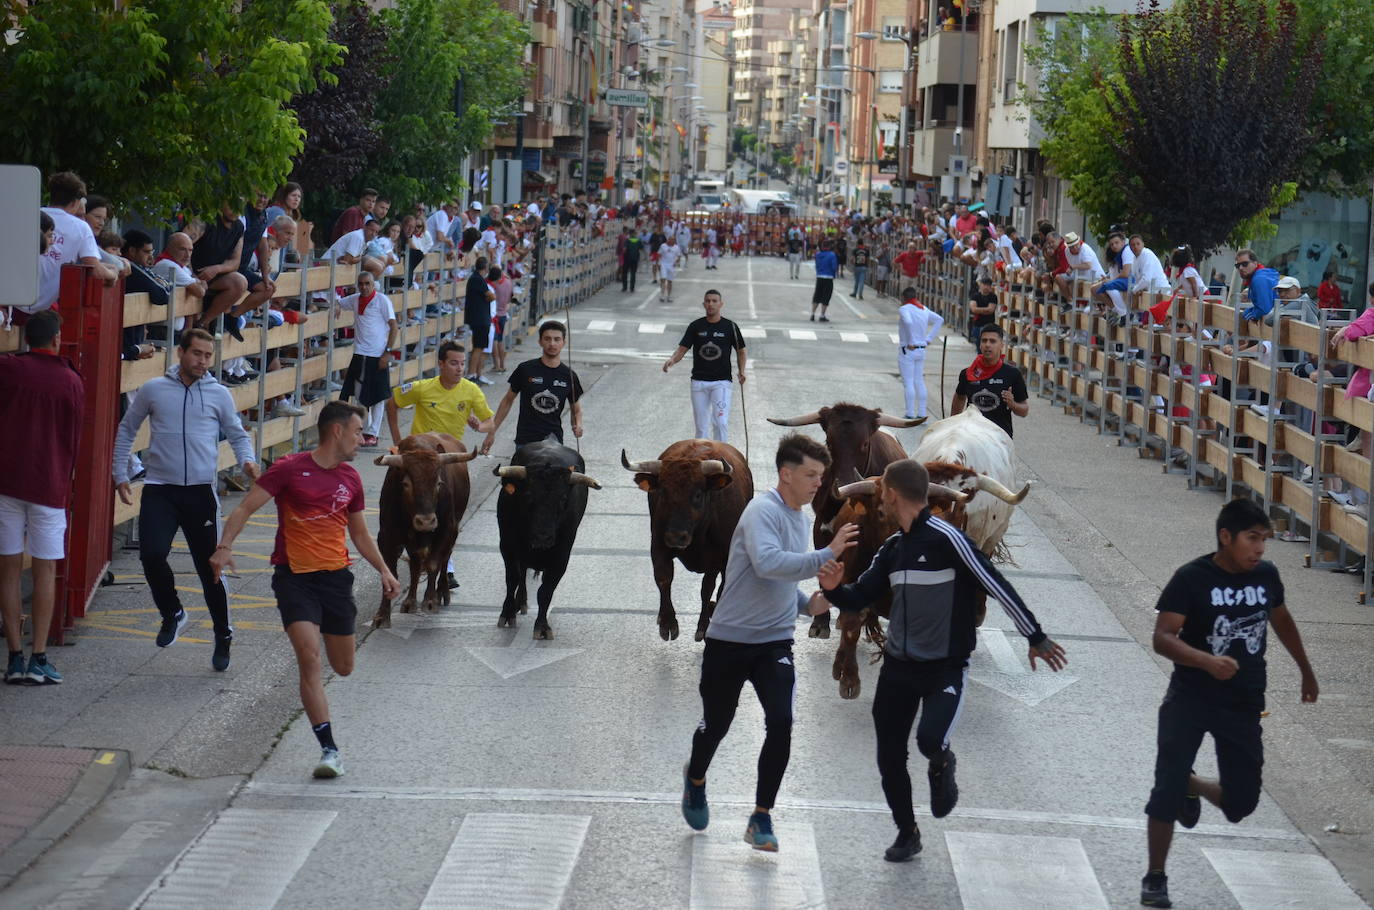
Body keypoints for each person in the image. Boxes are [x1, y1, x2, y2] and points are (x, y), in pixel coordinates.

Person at [813, 458, 1066, 862]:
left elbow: (995, 583)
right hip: (898, 667)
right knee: (889, 756)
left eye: (882, 493)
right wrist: (833, 590)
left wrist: (1035, 636)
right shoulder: (892, 548)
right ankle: (907, 831)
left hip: (944, 667)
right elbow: (860, 595)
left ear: (891, 494)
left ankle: (941, 762)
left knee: (929, 739)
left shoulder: (950, 540)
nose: (881, 500)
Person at [680, 434, 859, 851]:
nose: (819, 483)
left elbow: (786, 587)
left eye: (821, 475)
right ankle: (696, 779)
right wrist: (825, 554)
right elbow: (766, 564)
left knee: (781, 722)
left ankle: (761, 817)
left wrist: (817, 601)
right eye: (811, 475)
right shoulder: (761, 511)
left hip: (775, 643)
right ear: (786, 474)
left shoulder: (799, 517)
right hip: (729, 640)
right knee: (716, 725)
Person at [1139, 499, 1318, 908]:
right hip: (1190, 698)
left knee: (1241, 804)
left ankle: (1192, 785)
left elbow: (1281, 619)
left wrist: (1306, 670)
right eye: (1252, 539)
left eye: (1264, 540)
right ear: (1226, 537)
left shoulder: (1266, 576)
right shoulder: (1191, 578)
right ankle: (1155, 877)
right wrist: (1206, 661)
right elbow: (1162, 637)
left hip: (1242, 702)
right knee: (1165, 787)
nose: (1260, 549)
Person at [210, 402, 399, 777]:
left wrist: (384, 570)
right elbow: (245, 508)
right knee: (309, 657)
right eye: (358, 431)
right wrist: (224, 546)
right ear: (337, 431)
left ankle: (329, 741)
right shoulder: (289, 468)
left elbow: (359, 533)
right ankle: (329, 750)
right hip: (294, 578)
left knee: (343, 667)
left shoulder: (351, 478)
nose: (362, 438)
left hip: (336, 580)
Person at [111, 328, 259, 671]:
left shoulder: (219, 393)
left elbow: (237, 434)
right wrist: (120, 474)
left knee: (210, 570)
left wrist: (247, 461)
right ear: (181, 352)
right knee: (151, 555)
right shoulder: (154, 389)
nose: (203, 361)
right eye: (197, 353)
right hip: (161, 489)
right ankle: (173, 612)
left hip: (200, 493)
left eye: (208, 355)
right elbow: (127, 429)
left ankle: (223, 633)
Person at [0, 312, 84, 685]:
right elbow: (73, 438)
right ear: (56, 339)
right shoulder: (70, 380)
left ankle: (14, 656)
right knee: (45, 569)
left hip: (7, 481)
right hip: (49, 484)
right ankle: (39, 657)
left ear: (26, 337)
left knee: (8, 568)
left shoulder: (8, 368)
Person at [387, 340, 495, 588]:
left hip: (449, 461)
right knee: (399, 502)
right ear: (441, 364)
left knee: (449, 515)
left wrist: (480, 426)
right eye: (454, 363)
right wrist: (398, 442)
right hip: (418, 460)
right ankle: (398, 545)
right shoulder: (422, 388)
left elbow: (490, 422)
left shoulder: (471, 390)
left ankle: (447, 565)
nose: (460, 368)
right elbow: (392, 403)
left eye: (463, 363)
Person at [480, 320, 584, 453]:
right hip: (525, 441)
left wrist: (578, 425)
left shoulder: (569, 376)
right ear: (540, 341)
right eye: (547, 339)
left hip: (554, 442)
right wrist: (492, 432)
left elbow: (576, 410)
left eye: (557, 339)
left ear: (564, 342)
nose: (552, 344)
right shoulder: (525, 369)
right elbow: (507, 401)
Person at [662, 290, 747, 441]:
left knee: (720, 422)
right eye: (708, 301)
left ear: (721, 304)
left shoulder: (730, 327)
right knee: (701, 428)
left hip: (721, 382)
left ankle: (720, 454)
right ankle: (703, 455)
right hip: (699, 383)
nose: (710, 304)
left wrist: (742, 371)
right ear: (703, 304)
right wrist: (672, 360)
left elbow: (741, 351)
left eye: (714, 301)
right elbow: (682, 349)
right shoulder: (695, 326)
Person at [336, 270, 398, 447]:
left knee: (378, 395)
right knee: (358, 393)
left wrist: (387, 352)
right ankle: (364, 429)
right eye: (361, 284)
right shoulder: (355, 299)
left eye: (367, 283)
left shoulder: (382, 300)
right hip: (360, 353)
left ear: (373, 284)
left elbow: (394, 326)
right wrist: (337, 306)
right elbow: (339, 301)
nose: (363, 287)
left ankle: (373, 432)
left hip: (377, 354)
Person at [952, 323, 1029, 438]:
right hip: (971, 435)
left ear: (1001, 345)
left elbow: (1024, 411)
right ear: (980, 344)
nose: (987, 345)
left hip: (999, 437)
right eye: (984, 341)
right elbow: (959, 397)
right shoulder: (967, 373)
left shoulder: (1012, 374)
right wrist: (953, 425)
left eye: (992, 341)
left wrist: (1013, 404)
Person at [896, 288, 943, 422]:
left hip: (908, 349)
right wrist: (929, 338)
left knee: (908, 382)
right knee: (919, 380)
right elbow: (939, 320)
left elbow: (908, 321)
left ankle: (910, 412)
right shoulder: (924, 309)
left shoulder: (904, 309)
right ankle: (922, 412)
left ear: (904, 297)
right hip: (921, 349)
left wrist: (911, 340)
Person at [464, 257, 496, 384]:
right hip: (480, 319)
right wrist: (488, 298)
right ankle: (471, 374)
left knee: (480, 347)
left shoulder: (476, 278)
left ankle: (478, 374)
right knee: (478, 347)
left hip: (479, 318)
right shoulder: (477, 279)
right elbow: (492, 296)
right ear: (486, 267)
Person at [1235, 249, 1280, 323]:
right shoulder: (1260, 276)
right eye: (1238, 265)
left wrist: (1247, 314)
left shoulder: (1259, 279)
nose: (1240, 268)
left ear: (1255, 263)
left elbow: (1264, 309)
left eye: (1245, 264)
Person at [811, 240, 838, 322]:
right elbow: (834, 266)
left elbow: (816, 265)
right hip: (828, 277)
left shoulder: (818, 254)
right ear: (829, 247)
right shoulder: (832, 255)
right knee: (826, 296)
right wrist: (834, 274)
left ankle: (812, 314)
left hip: (819, 276)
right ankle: (822, 315)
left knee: (817, 295)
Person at [967, 276, 998, 343]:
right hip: (977, 324)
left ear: (990, 287)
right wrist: (986, 310)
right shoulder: (975, 296)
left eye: (988, 285)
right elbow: (973, 309)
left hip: (988, 325)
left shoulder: (993, 297)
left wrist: (978, 310)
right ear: (980, 285)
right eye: (984, 284)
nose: (986, 287)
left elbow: (991, 310)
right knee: (978, 343)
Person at [658, 235, 682, 303]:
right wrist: (659, 264)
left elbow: (679, 256)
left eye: (673, 240)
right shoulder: (663, 246)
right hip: (663, 264)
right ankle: (662, 295)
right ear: (668, 239)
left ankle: (669, 296)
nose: (672, 241)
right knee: (663, 279)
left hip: (671, 266)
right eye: (670, 239)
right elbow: (659, 254)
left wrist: (676, 262)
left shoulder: (676, 247)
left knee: (670, 281)